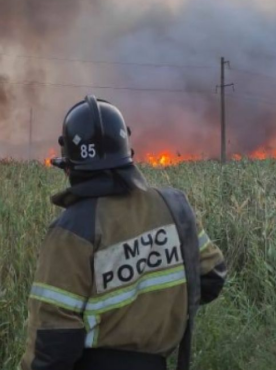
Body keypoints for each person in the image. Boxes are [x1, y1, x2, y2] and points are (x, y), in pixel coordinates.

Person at [20, 95, 227, 370]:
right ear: (127, 154)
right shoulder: (175, 208)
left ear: (69, 166)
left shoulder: (71, 231)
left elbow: (53, 339)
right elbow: (212, 277)